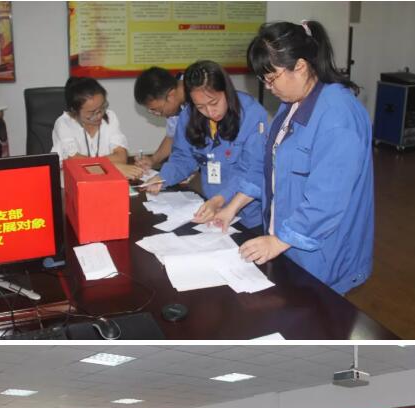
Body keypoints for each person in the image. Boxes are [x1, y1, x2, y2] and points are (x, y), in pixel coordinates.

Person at [230, 20, 373, 295]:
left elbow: (327, 199)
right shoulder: (292, 105)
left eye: (272, 78)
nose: (268, 87)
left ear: (300, 66)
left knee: (320, 316)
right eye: (263, 80)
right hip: (289, 243)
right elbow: (270, 167)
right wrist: (232, 208)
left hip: (323, 252)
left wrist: (279, 240)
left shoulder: (338, 116)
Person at [147, 60, 266, 231]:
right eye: (200, 106)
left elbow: (253, 170)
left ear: (226, 91)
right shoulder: (189, 115)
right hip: (211, 206)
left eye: (214, 103)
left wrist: (220, 199)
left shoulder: (251, 113)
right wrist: (163, 177)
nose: (210, 112)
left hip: (247, 213)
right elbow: (183, 157)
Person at [51, 76, 142, 180]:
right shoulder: (64, 124)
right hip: (75, 182)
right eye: (92, 112)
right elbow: (74, 162)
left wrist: (90, 164)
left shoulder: (110, 117)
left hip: (106, 181)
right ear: (74, 110)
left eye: (102, 107)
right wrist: (114, 167)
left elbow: (121, 158)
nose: (99, 115)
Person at [133, 67, 186, 169]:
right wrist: (153, 160)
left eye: (157, 110)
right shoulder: (174, 106)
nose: (157, 114)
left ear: (171, 96)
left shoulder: (202, 96)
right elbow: (173, 136)